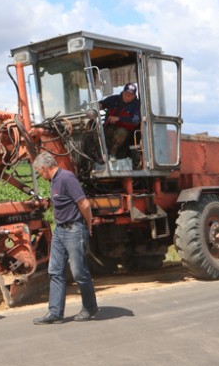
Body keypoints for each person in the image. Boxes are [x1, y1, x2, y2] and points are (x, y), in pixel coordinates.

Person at [32, 152, 99, 325]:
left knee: (78, 272)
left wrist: (88, 224)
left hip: (73, 230)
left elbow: (84, 204)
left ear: (45, 168)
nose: (40, 175)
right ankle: (55, 313)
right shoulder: (53, 181)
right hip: (60, 232)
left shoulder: (67, 178)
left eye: (39, 172)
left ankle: (90, 308)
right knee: (55, 271)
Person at [100, 82, 140, 159]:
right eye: (125, 94)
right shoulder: (114, 99)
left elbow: (136, 120)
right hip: (110, 127)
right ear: (123, 92)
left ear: (134, 96)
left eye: (130, 95)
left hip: (127, 131)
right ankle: (100, 154)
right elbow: (102, 104)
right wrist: (99, 105)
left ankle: (113, 155)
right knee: (99, 132)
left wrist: (119, 119)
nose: (127, 97)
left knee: (121, 132)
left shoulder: (136, 105)